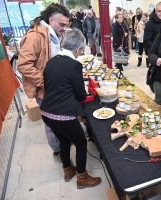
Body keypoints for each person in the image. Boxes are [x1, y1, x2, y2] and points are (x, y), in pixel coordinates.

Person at [40, 28, 102, 187]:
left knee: (64, 141)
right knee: (81, 144)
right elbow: (81, 96)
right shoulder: (74, 65)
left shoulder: (51, 62)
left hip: (47, 113)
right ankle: (82, 178)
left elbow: (53, 87)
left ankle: (68, 170)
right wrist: (84, 90)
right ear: (78, 49)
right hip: (62, 115)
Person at [17, 3, 70, 164]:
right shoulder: (35, 36)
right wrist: (45, 83)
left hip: (56, 88)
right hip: (46, 89)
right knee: (51, 121)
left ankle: (64, 143)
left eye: (66, 25)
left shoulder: (54, 34)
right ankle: (57, 151)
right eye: (62, 25)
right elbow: (23, 65)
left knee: (60, 117)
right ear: (51, 19)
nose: (64, 29)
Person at [144, 2, 161, 92]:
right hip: (156, 54)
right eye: (159, 11)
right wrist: (156, 49)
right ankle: (153, 85)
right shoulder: (150, 24)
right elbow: (147, 40)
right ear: (155, 12)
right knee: (155, 73)